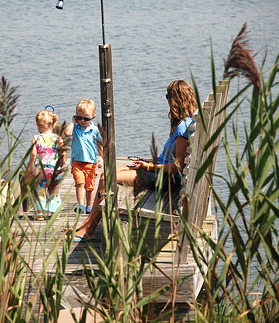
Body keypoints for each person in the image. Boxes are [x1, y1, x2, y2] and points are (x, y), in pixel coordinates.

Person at [67, 80, 198, 241]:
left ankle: (90, 229)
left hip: (164, 179)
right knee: (111, 173)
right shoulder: (188, 123)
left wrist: (148, 166)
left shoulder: (183, 127)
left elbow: (177, 166)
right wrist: (147, 162)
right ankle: (87, 224)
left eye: (168, 97)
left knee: (107, 178)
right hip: (161, 173)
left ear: (176, 100)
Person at [64, 98, 103, 215]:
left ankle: (89, 206)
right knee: (79, 183)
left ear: (93, 118)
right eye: (79, 117)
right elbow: (67, 133)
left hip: (91, 162)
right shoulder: (75, 128)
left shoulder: (95, 130)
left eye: (86, 118)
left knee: (90, 187)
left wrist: (101, 157)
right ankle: (80, 204)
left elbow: (100, 144)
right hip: (77, 162)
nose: (82, 120)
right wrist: (73, 122)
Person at [28, 109, 65, 220]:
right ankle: (55, 213)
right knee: (54, 190)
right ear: (54, 125)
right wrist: (61, 167)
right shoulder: (58, 138)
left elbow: (33, 155)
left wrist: (31, 167)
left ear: (38, 126)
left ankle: (40, 214)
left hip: (41, 170)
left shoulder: (36, 138)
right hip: (54, 170)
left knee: (40, 190)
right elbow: (62, 154)